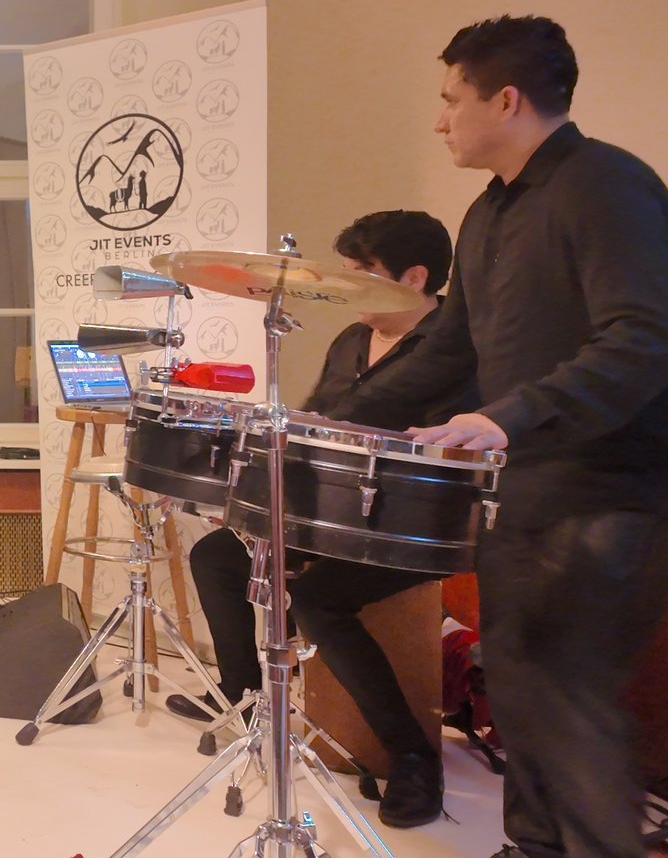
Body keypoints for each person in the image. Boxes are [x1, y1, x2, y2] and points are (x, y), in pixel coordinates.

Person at [333, 16, 668, 858]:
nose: (441, 119)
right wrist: (336, 420)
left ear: (507, 99)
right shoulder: (488, 215)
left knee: (565, 698)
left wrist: (507, 417)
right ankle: (532, 847)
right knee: (522, 691)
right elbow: (450, 349)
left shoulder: (609, 186)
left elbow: (645, 335)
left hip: (616, 495)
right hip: (527, 491)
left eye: (451, 99)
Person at [168, 210, 473, 828]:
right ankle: (243, 693)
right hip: (326, 515)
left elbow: (450, 453)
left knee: (318, 601)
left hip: (408, 527)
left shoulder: (459, 344)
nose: (348, 285)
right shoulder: (351, 342)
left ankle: (414, 758)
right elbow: (314, 422)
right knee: (216, 556)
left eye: (364, 273)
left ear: (415, 278)